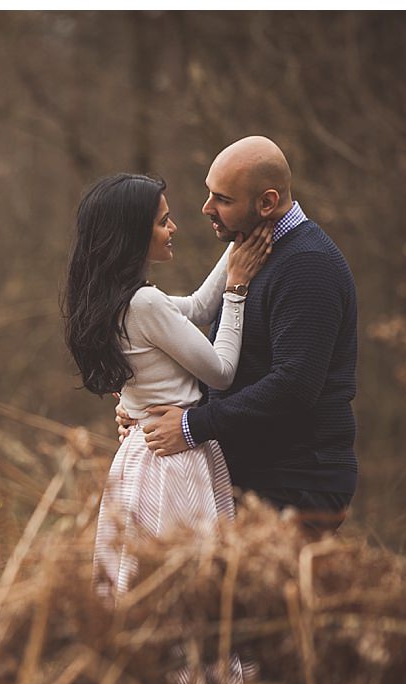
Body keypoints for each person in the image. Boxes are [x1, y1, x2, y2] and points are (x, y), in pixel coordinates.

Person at [121, 137, 359, 535]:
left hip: (297, 482)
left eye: (223, 199)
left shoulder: (308, 267)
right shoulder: (251, 248)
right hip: (252, 473)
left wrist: (190, 426)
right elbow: (240, 362)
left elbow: (294, 385)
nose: (206, 209)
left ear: (266, 203)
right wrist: (149, 405)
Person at [61, 173, 272, 604]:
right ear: (133, 234)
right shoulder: (145, 303)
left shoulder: (115, 299)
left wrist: (238, 244)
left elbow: (195, 307)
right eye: (163, 221)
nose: (173, 228)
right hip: (175, 459)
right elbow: (222, 372)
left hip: (141, 455)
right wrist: (236, 289)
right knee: (188, 589)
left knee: (145, 586)